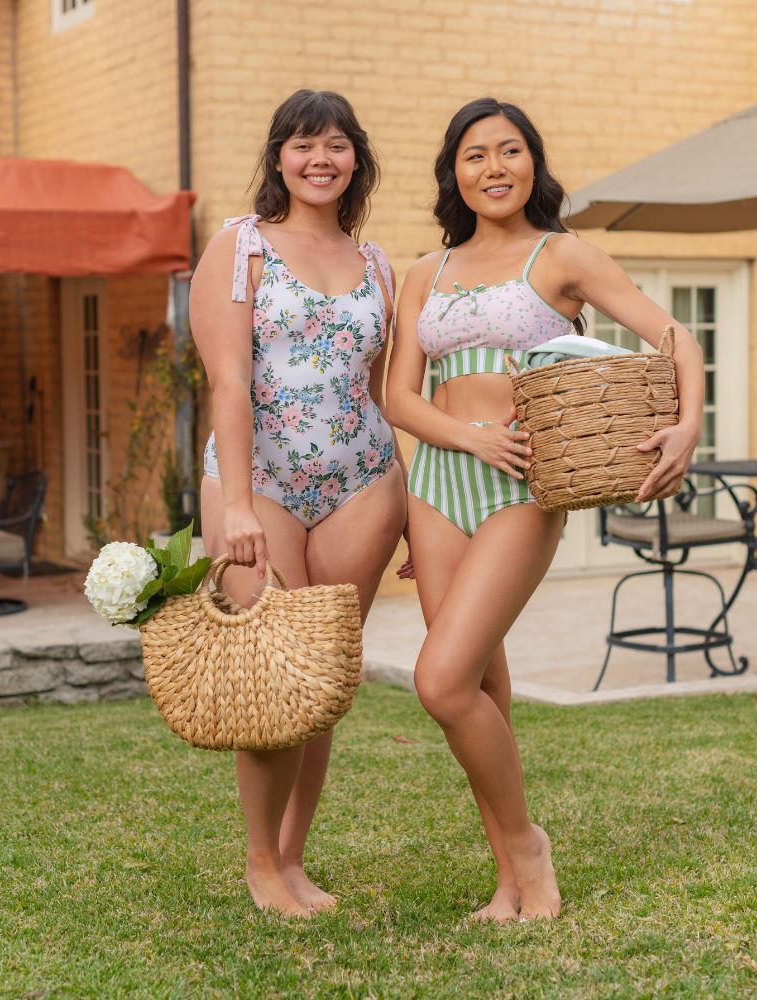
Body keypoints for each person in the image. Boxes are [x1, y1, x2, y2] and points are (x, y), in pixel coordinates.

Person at [386, 97, 704, 923]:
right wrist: (465, 435)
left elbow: (678, 339)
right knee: (480, 684)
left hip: (526, 486)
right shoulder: (428, 270)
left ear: (533, 163)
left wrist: (687, 428)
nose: (493, 168)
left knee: (441, 681)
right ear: (453, 173)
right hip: (438, 490)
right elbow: (396, 395)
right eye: (475, 156)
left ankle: (528, 843)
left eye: (510, 151)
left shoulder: (562, 255)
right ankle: (511, 881)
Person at [190, 89, 407, 917]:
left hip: (362, 480)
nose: (322, 158)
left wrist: (416, 512)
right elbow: (229, 382)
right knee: (273, 672)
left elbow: (388, 394)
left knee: (320, 680)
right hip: (261, 483)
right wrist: (238, 504)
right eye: (304, 144)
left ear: (357, 159)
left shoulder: (379, 263)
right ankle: (258, 862)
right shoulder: (240, 247)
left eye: (338, 145)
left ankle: (292, 857)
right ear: (279, 155)